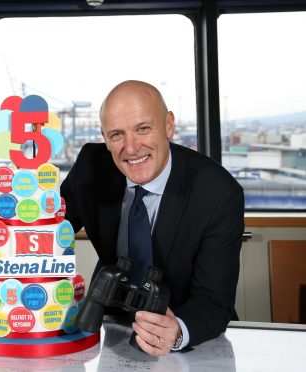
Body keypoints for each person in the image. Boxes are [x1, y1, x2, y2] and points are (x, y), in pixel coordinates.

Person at [61, 80, 244, 356]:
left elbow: (214, 300)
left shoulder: (217, 193)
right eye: (117, 135)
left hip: (185, 332)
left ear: (168, 125)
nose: (131, 148)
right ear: (104, 137)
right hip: (111, 325)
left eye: (143, 129)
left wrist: (178, 330)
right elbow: (50, 231)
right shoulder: (91, 165)